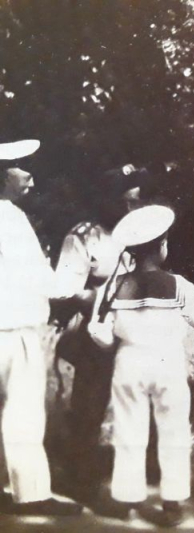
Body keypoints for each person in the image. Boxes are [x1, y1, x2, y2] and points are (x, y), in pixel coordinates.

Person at [86, 205, 194, 526]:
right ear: (162, 247)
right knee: (173, 430)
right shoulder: (179, 285)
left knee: (129, 429)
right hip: (167, 363)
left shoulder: (114, 286)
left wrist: (113, 345)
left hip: (128, 362)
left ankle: (128, 498)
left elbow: (98, 330)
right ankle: (172, 503)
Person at [50, 164, 151, 502]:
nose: (129, 210)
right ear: (107, 200)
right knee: (90, 401)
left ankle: (138, 472)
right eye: (124, 202)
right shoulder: (83, 236)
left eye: (135, 203)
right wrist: (96, 298)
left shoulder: (143, 234)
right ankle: (77, 473)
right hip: (93, 332)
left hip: (133, 332)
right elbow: (63, 288)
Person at [0, 139, 83, 516]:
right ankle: (31, 494)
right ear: (3, 175)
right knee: (24, 410)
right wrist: (78, 284)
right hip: (14, 329)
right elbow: (42, 280)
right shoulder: (11, 219)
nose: (31, 177)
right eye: (22, 168)